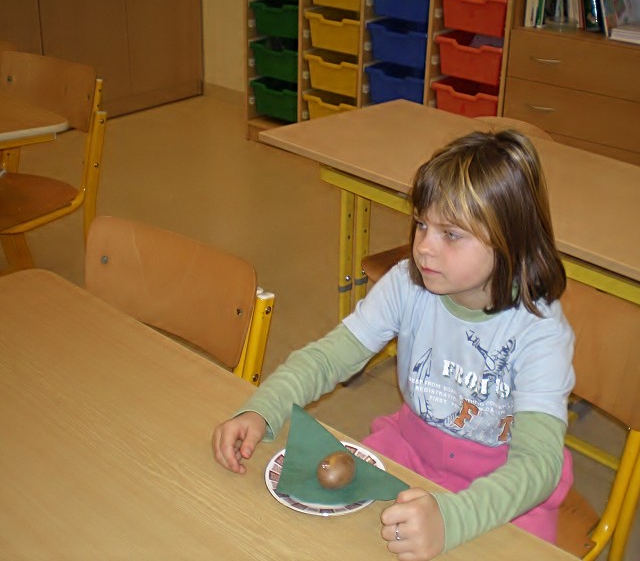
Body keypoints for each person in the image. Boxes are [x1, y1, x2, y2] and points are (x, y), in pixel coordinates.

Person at [212, 130, 575, 560]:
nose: (424, 248)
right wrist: (263, 408)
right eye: (422, 224)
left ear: (510, 240)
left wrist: (452, 520)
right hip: (412, 450)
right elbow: (328, 359)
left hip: (504, 488)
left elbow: (537, 465)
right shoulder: (407, 284)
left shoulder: (539, 331)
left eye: (451, 234)